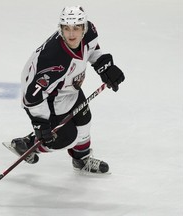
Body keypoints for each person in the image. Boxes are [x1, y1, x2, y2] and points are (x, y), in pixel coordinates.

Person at [8, 6, 125, 173]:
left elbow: (92, 48)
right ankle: (28, 145)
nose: (71, 34)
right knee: (63, 138)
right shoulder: (54, 60)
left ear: (84, 27)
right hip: (47, 96)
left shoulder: (90, 31)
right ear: (61, 28)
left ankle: (81, 160)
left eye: (76, 28)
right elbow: (32, 97)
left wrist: (104, 67)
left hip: (68, 86)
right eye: (66, 28)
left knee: (84, 121)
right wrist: (41, 124)